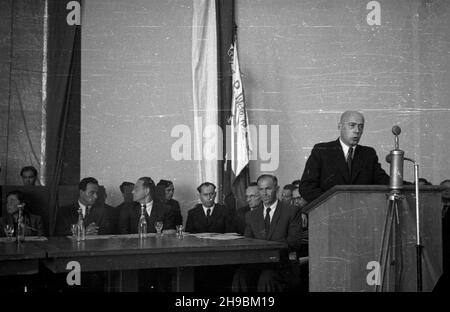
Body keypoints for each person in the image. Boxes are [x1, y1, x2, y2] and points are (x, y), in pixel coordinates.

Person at [299, 110, 390, 203]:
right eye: (352, 125)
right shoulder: (322, 151)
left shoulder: (368, 154)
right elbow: (306, 187)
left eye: (361, 126)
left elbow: (384, 181)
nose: (357, 131)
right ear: (340, 126)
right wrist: (334, 201)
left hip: (361, 214)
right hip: (329, 212)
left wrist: (403, 186)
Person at [232, 174, 303, 292]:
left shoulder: (291, 211)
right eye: (261, 189)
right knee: (240, 275)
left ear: (277, 189)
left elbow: (294, 242)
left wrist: (269, 249)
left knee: (267, 277)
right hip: (259, 263)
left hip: (282, 264)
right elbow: (248, 242)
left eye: (268, 188)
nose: (264, 193)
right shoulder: (251, 215)